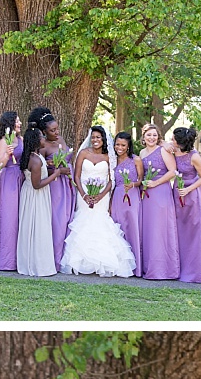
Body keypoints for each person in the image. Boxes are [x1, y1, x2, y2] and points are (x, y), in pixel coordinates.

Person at [60, 125, 137, 278]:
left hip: (102, 196)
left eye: (98, 137)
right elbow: (76, 176)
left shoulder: (109, 157)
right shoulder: (83, 153)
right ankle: (81, 262)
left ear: (104, 140)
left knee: (101, 224)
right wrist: (83, 195)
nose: (95, 140)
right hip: (84, 195)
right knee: (84, 223)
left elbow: (111, 180)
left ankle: (103, 262)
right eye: (93, 137)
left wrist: (101, 195)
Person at [170, 127, 201, 283]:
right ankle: (178, 266)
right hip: (177, 193)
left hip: (192, 194)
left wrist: (187, 189)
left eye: (173, 139)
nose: (171, 140)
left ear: (180, 142)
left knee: (193, 231)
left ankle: (195, 270)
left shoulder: (194, 157)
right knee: (178, 230)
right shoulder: (173, 152)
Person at [139, 122, 181, 278]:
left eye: (154, 135)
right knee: (149, 230)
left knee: (160, 229)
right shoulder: (142, 153)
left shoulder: (163, 150)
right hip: (147, 195)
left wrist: (155, 183)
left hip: (161, 192)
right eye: (148, 135)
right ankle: (150, 266)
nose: (151, 138)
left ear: (159, 137)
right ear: (143, 137)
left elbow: (173, 171)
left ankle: (164, 269)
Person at [15, 125, 57, 277]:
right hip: (35, 196)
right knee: (38, 227)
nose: (44, 138)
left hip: (32, 194)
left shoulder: (34, 156)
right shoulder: (36, 160)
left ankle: (32, 261)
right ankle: (38, 265)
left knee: (34, 227)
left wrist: (52, 169)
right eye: (41, 136)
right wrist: (57, 174)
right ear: (35, 141)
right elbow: (37, 184)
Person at [42, 114, 75, 272]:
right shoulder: (44, 145)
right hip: (55, 185)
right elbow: (39, 168)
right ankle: (53, 260)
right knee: (58, 220)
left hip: (68, 183)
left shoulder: (60, 140)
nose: (56, 132)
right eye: (52, 130)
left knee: (68, 218)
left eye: (57, 129)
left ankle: (65, 257)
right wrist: (54, 167)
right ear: (44, 131)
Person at [111, 131, 144, 276]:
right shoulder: (112, 160)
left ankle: (135, 266)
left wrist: (133, 184)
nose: (120, 147)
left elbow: (141, 180)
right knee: (118, 227)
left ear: (128, 146)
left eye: (123, 145)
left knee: (132, 227)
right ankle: (119, 265)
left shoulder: (136, 160)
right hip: (117, 195)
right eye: (117, 144)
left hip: (132, 196)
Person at [0, 110, 23, 270]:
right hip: (8, 181)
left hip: (20, 179)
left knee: (19, 219)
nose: (19, 123)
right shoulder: (3, 141)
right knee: (9, 220)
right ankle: (7, 261)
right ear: (10, 124)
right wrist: (7, 154)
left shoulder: (21, 139)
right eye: (17, 121)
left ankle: (19, 259)